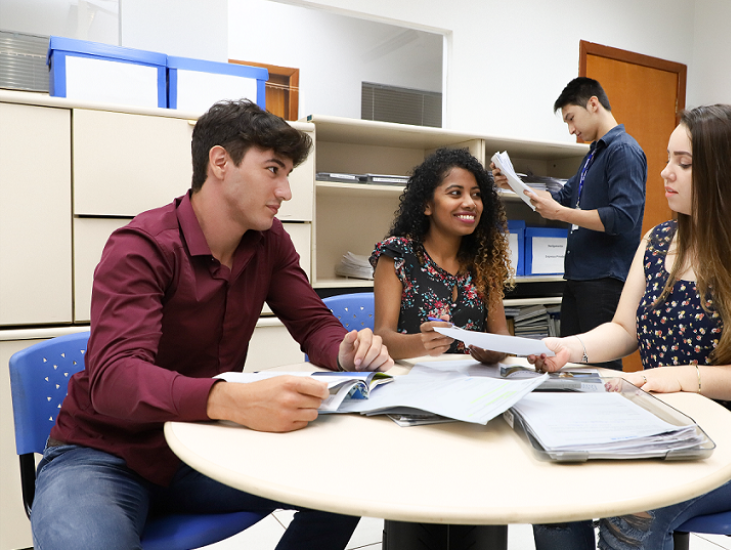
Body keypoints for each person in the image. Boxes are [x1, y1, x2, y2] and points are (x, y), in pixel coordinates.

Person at [31, 99, 394, 550]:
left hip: (203, 448)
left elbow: (313, 322)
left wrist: (346, 349)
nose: (285, 192)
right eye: (273, 170)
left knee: (349, 480)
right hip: (104, 453)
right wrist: (232, 400)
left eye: (287, 175)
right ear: (220, 162)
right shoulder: (141, 247)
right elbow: (115, 379)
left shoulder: (268, 242)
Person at [528, 104, 731, 550]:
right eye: (668, 159)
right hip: (663, 420)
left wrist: (684, 379)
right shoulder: (659, 240)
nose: (666, 173)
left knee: (643, 502)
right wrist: (568, 347)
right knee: (556, 481)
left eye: (683, 164)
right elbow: (624, 328)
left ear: (728, 173)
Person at [492, 76, 647, 370]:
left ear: (593, 104)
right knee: (568, 365)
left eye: (571, 118)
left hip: (605, 280)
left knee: (599, 370)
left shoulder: (623, 150)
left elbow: (623, 218)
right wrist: (514, 185)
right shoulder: (594, 154)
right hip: (579, 278)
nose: (572, 129)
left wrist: (561, 213)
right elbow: (563, 197)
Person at [370, 147, 514, 363]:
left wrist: (494, 351)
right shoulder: (398, 255)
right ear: (427, 205)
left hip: (472, 383)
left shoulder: (484, 260)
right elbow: (382, 337)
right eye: (455, 193)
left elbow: (502, 335)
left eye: (476, 194)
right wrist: (423, 343)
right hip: (413, 381)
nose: (470, 203)